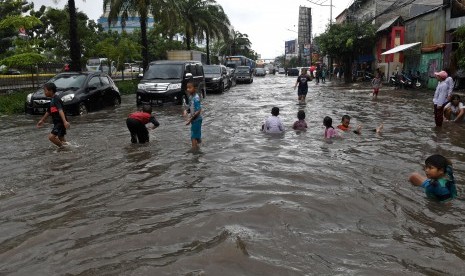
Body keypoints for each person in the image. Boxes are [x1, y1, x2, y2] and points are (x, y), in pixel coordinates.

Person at [36, 83, 70, 149]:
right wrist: (42, 120)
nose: (44, 93)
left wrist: (65, 121)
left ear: (51, 91)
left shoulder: (56, 99)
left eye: (45, 91)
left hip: (60, 122)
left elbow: (60, 110)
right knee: (61, 138)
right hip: (57, 123)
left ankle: (63, 149)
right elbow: (48, 112)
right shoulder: (52, 100)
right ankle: (70, 149)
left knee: (51, 137)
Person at [183, 81, 202, 150]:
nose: (188, 89)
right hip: (194, 120)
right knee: (197, 137)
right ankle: (199, 146)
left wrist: (190, 119)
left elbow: (198, 110)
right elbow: (191, 107)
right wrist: (186, 111)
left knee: (193, 137)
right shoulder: (191, 97)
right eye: (187, 88)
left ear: (195, 88)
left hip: (197, 120)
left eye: (190, 88)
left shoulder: (196, 98)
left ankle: (194, 151)